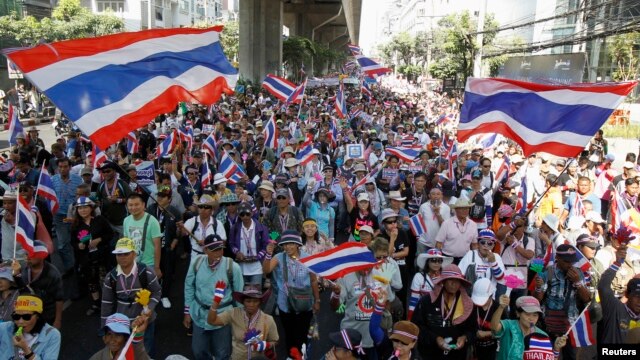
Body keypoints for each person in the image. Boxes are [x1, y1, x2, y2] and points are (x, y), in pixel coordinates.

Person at [184, 234, 244, 360]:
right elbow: (189, 286)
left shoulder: (233, 267)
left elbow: (239, 295)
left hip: (222, 316)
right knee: (199, 351)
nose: (218, 253)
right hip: (199, 314)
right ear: (205, 250)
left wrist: (240, 320)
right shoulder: (197, 262)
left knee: (222, 353)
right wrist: (187, 312)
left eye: (220, 249)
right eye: (214, 250)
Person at [100, 238, 161, 354]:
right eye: (119, 254)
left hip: (145, 322)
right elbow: (106, 304)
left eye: (126, 253)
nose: (122, 257)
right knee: (125, 352)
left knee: (145, 351)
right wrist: (104, 329)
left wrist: (150, 308)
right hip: (121, 324)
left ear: (134, 254)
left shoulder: (147, 272)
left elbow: (157, 292)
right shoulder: (110, 277)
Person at [263, 230, 320, 355]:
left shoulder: (308, 258)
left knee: (303, 335)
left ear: (298, 244)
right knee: (289, 335)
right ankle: (292, 356)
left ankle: (302, 356)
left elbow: (314, 281)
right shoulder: (279, 257)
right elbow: (266, 270)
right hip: (285, 304)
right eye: (285, 244)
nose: (287, 247)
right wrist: (268, 254)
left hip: (305, 304)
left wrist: (317, 300)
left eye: (291, 244)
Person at [533, 244, 590, 360]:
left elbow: (587, 299)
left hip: (570, 324)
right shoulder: (549, 272)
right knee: (550, 356)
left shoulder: (578, 273)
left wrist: (577, 282)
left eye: (572, 262)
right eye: (566, 261)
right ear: (557, 258)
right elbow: (538, 299)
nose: (570, 265)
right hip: (549, 324)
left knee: (571, 356)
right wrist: (538, 287)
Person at [411, 264, 475, 360]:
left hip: (457, 355)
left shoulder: (467, 304)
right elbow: (417, 326)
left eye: (458, 280)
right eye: (450, 280)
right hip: (429, 354)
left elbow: (473, 329)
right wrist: (435, 338)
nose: (454, 283)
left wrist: (465, 338)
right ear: (443, 281)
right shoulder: (427, 301)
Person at [207, 286, 279, 360]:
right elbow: (212, 321)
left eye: (255, 301)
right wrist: (216, 302)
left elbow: (274, 341)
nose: (251, 304)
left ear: (260, 302)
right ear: (243, 302)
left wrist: (266, 345)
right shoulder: (233, 313)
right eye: (248, 301)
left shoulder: (268, 319)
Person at [70, 196, 114, 316]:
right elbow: (72, 242)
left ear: (91, 208)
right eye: (80, 208)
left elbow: (110, 234)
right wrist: (78, 245)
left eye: (85, 207)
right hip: (86, 259)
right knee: (91, 281)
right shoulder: (75, 225)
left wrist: (99, 239)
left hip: (101, 257)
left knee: (104, 281)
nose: (83, 210)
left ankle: (108, 303)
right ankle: (96, 304)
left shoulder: (100, 220)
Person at [491, 295, 567, 360]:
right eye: (527, 314)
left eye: (535, 315)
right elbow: (494, 327)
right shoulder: (508, 325)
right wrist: (501, 307)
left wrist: (556, 349)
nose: (531, 318)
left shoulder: (542, 336)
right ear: (518, 313)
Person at [11, 244, 63, 329]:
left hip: (47, 314)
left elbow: (59, 299)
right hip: (30, 314)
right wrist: (16, 275)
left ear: (41, 256)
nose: (27, 257)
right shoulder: (23, 269)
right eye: (26, 254)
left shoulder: (53, 274)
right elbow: (23, 289)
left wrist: (58, 320)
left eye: (31, 255)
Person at [146, 186, 181, 309]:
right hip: (152, 247)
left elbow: (179, 232)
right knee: (152, 271)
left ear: (169, 199)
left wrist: (175, 241)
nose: (159, 198)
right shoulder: (150, 209)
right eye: (158, 195)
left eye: (163, 196)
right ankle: (152, 294)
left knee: (167, 272)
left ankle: (165, 295)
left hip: (167, 248)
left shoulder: (175, 212)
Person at [0, 295, 61, 360]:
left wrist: (26, 349)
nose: (20, 321)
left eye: (26, 317)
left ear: (38, 316)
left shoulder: (52, 335)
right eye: (16, 317)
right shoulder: (5, 328)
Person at [51, 157, 83, 273]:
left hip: (76, 216)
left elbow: (83, 196)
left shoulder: (78, 180)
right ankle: (70, 267)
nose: (63, 169)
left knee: (79, 241)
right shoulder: (52, 180)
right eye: (60, 167)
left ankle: (80, 264)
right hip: (60, 217)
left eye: (65, 166)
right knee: (63, 244)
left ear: (70, 167)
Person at [370, 288, 420, 359]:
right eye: (395, 340)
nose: (398, 345)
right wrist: (380, 305)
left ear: (413, 343)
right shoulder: (387, 349)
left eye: (404, 342)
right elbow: (374, 330)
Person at [228, 202, 269, 286]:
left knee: (255, 295)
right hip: (241, 267)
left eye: (247, 214)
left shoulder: (261, 228)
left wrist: (258, 256)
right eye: (242, 214)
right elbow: (231, 244)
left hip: (257, 267)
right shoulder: (235, 228)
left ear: (252, 213)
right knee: (241, 294)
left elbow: (266, 246)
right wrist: (237, 252)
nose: (245, 216)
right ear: (239, 215)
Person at [123, 193, 163, 277]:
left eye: (136, 204)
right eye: (130, 205)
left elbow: (157, 246)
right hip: (132, 263)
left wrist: (157, 267)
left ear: (143, 205)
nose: (133, 208)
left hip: (149, 264)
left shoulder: (152, 221)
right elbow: (126, 243)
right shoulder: (126, 220)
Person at [408, 249, 452, 320]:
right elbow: (413, 300)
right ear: (427, 262)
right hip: (422, 312)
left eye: (439, 261)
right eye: (434, 260)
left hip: (441, 313)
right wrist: (410, 318)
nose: (437, 263)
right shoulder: (418, 277)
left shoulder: (445, 278)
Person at [181, 195, 227, 261]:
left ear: (211, 210)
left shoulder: (218, 224)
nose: (203, 209)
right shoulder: (191, 221)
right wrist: (180, 229)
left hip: (212, 257)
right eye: (201, 206)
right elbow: (183, 233)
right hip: (195, 258)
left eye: (206, 207)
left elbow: (223, 242)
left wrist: (207, 243)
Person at [435, 198, 478, 264]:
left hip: (465, 259)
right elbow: (439, 243)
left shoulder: (473, 225)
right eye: (462, 208)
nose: (465, 211)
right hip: (447, 258)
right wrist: (438, 260)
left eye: (467, 208)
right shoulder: (447, 223)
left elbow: (474, 245)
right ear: (456, 210)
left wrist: (476, 259)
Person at [471, 278, 500, 360]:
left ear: (491, 296)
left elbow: (505, 331)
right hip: (475, 348)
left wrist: (488, 333)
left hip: (492, 349)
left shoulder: (498, 308)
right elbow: (467, 326)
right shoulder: (472, 306)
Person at [417, 188, 451, 254]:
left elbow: (445, 226)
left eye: (438, 194)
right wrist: (418, 237)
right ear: (429, 196)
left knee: (435, 263)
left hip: (438, 243)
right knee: (421, 262)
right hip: (423, 241)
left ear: (441, 196)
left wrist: (438, 214)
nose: (436, 196)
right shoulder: (423, 206)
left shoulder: (446, 208)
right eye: (433, 194)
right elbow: (418, 222)